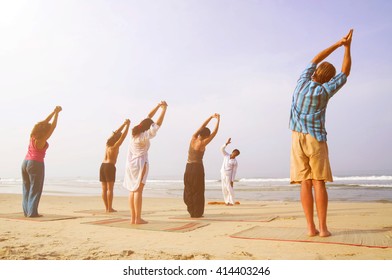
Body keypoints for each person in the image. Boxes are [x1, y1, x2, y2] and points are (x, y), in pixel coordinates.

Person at [289, 29, 353, 237]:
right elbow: (345, 72)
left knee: (305, 182)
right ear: (328, 79)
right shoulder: (324, 91)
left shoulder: (301, 83)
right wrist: (347, 48)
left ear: (315, 72)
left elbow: (315, 58)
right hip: (315, 139)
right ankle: (323, 228)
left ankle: (310, 228)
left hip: (296, 138)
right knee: (319, 182)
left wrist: (337, 44)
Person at [124, 101, 168, 224]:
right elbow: (158, 124)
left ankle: (133, 218)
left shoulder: (135, 134)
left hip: (130, 164)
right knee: (138, 190)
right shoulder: (144, 136)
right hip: (140, 163)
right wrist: (164, 110)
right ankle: (137, 219)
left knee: (132, 190)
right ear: (148, 127)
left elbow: (149, 116)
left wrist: (158, 106)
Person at [21, 106, 62, 217]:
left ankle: (27, 211)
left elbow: (44, 122)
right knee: (35, 188)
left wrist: (54, 111)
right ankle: (32, 212)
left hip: (25, 162)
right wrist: (57, 114)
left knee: (26, 187)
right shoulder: (42, 138)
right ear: (45, 131)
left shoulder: (32, 135)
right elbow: (53, 126)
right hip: (35, 163)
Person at [184, 113, 220, 218]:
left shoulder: (193, 138)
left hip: (188, 167)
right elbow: (215, 132)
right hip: (197, 168)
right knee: (198, 190)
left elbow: (202, 127)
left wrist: (210, 117)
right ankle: (197, 213)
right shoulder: (202, 143)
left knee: (189, 188)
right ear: (206, 136)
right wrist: (218, 120)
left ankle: (191, 210)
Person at [100, 119, 130, 212]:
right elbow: (123, 136)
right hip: (109, 166)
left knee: (104, 189)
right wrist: (128, 125)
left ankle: (106, 208)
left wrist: (124, 124)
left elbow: (116, 133)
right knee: (110, 189)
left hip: (102, 166)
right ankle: (109, 208)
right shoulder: (115, 146)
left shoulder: (107, 144)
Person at [220, 138, 240, 206]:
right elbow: (221, 149)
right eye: (235, 153)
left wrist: (232, 180)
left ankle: (232, 202)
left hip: (229, 175)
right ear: (233, 152)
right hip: (223, 173)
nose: (235, 154)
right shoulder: (226, 155)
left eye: (237, 154)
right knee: (224, 188)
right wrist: (226, 144)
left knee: (229, 188)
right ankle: (227, 202)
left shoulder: (235, 162)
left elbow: (234, 172)